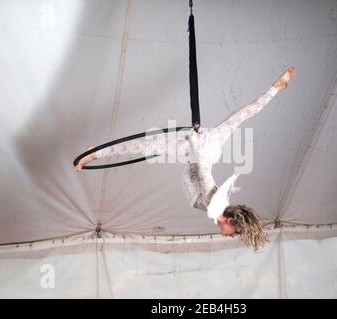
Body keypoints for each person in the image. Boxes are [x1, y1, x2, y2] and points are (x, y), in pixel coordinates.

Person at [76, 67, 295, 250]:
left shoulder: (219, 206)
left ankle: (275, 89)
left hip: (210, 146)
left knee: (240, 116)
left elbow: (205, 174)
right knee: (144, 146)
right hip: (199, 151)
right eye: (235, 232)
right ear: (231, 221)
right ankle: (95, 153)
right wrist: (195, 142)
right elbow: (203, 171)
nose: (231, 235)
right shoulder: (216, 205)